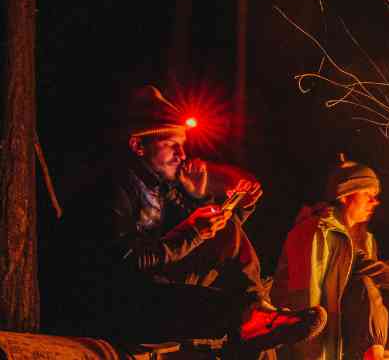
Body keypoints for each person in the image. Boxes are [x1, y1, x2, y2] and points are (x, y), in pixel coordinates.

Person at [98, 85, 326, 354]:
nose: (181, 155)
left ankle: (258, 311)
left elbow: (212, 239)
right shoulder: (113, 188)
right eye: (172, 145)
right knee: (237, 317)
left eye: (182, 146)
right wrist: (195, 230)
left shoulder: (160, 188)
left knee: (249, 315)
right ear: (138, 145)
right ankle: (255, 314)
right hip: (115, 306)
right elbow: (126, 261)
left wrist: (205, 201)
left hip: (149, 291)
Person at [272, 158, 389, 360]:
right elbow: (306, 300)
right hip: (302, 346)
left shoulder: (361, 240)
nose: (375, 202)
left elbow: (368, 278)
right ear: (345, 195)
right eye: (368, 195)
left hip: (341, 345)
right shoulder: (317, 232)